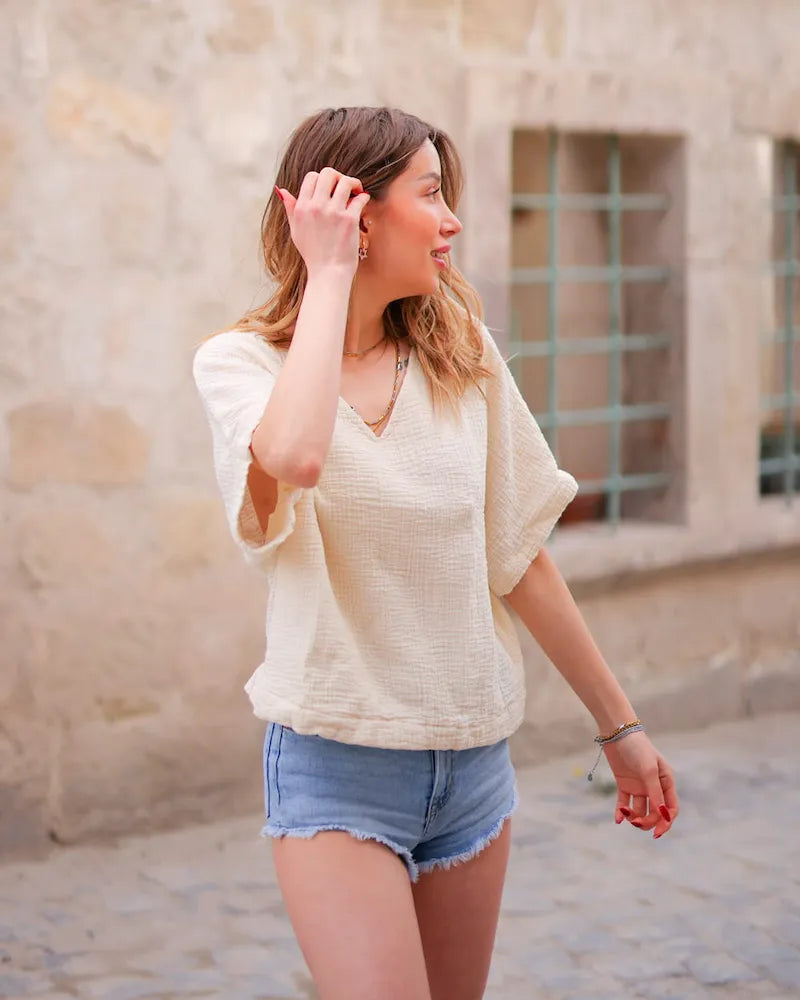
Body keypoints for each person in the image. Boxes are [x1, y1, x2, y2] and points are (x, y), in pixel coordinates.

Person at [192, 106, 680, 1000]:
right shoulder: (239, 366)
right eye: (429, 193)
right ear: (355, 214)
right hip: (337, 766)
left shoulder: (464, 359)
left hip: (472, 769)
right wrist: (329, 273)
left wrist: (622, 727)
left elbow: (521, 553)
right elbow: (296, 455)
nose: (452, 218)